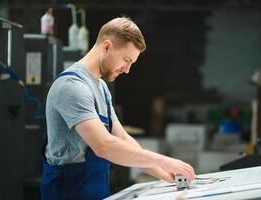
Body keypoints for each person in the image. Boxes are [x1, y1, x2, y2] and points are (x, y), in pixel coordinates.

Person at [41, 16, 196, 200]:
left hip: (94, 189)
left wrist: (162, 173)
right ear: (107, 46)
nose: (127, 69)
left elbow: (122, 138)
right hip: (68, 192)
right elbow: (104, 145)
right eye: (126, 60)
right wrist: (164, 160)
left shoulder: (101, 87)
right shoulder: (71, 86)